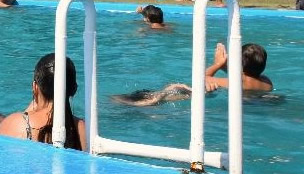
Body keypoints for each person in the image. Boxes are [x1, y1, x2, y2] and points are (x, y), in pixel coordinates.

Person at [111, 43, 273, 106]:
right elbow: (244, 76)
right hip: (248, 99)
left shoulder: (234, 82)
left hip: (208, 94)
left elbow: (203, 77)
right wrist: (227, 66)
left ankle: (146, 101)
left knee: (175, 87)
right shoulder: (266, 82)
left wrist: (218, 64)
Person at [0, 53, 86, 151]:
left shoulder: (14, 124)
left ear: (35, 87)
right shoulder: (84, 129)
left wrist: (26, 114)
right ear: (74, 89)